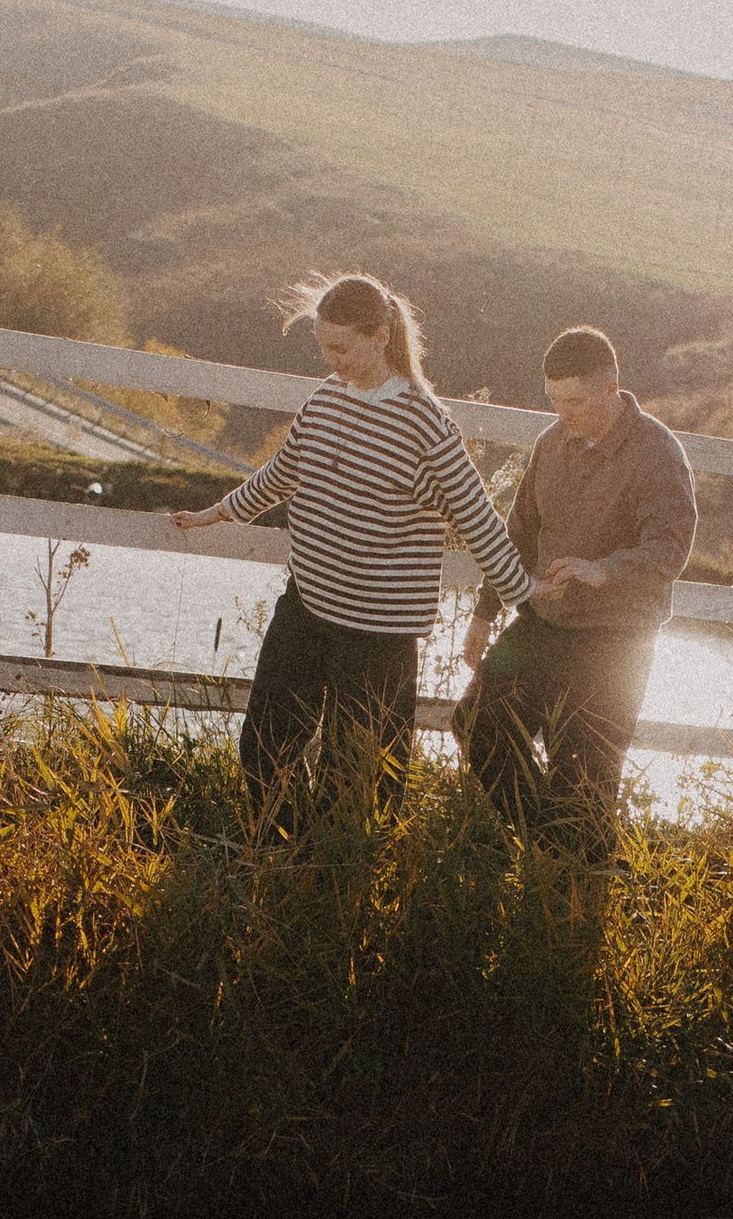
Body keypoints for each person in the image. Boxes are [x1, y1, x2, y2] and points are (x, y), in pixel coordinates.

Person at [172, 272, 533, 826]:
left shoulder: (425, 424)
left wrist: (525, 595)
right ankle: (278, 859)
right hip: (306, 606)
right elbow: (282, 474)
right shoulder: (323, 401)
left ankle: (343, 885)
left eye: (340, 347)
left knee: (362, 779)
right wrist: (216, 513)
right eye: (324, 346)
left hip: (378, 631)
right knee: (266, 745)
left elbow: (477, 516)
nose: (331, 359)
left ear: (380, 336)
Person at [458, 327, 698, 851]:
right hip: (544, 625)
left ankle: (572, 875)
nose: (562, 413)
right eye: (554, 401)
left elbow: (670, 547)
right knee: (478, 723)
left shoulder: (657, 452)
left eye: (574, 400)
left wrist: (604, 569)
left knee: (584, 782)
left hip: (616, 641)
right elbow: (517, 534)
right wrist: (483, 611)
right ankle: (551, 850)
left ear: (611, 388)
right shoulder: (552, 442)